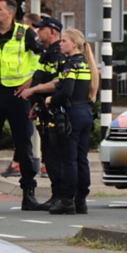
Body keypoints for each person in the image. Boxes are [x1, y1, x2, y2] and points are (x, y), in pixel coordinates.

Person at [0, 0, 43, 211]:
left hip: (18, 95)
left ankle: (28, 194)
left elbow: (42, 58)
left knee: (24, 145)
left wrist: (31, 82)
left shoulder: (25, 33)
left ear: (10, 13)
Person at [45, 28, 99, 215]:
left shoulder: (70, 65)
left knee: (69, 159)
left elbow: (66, 91)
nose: (60, 44)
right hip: (85, 112)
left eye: (64, 41)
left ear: (74, 44)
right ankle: (81, 201)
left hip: (72, 114)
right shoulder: (86, 64)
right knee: (82, 159)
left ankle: (67, 201)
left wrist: (51, 99)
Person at [19, 16, 67, 210]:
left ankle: (61, 196)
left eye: (41, 29)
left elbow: (57, 83)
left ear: (52, 32)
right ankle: (56, 195)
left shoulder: (57, 55)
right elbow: (40, 77)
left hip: (55, 112)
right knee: (49, 154)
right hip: (44, 111)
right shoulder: (47, 53)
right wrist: (36, 105)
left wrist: (33, 91)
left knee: (55, 155)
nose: (38, 32)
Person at [1, 12, 43, 179]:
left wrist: (30, 81)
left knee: (29, 129)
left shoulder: (32, 41)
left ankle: (22, 164)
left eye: (25, 24)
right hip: (28, 87)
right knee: (28, 130)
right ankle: (19, 163)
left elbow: (39, 64)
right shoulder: (30, 41)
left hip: (31, 87)